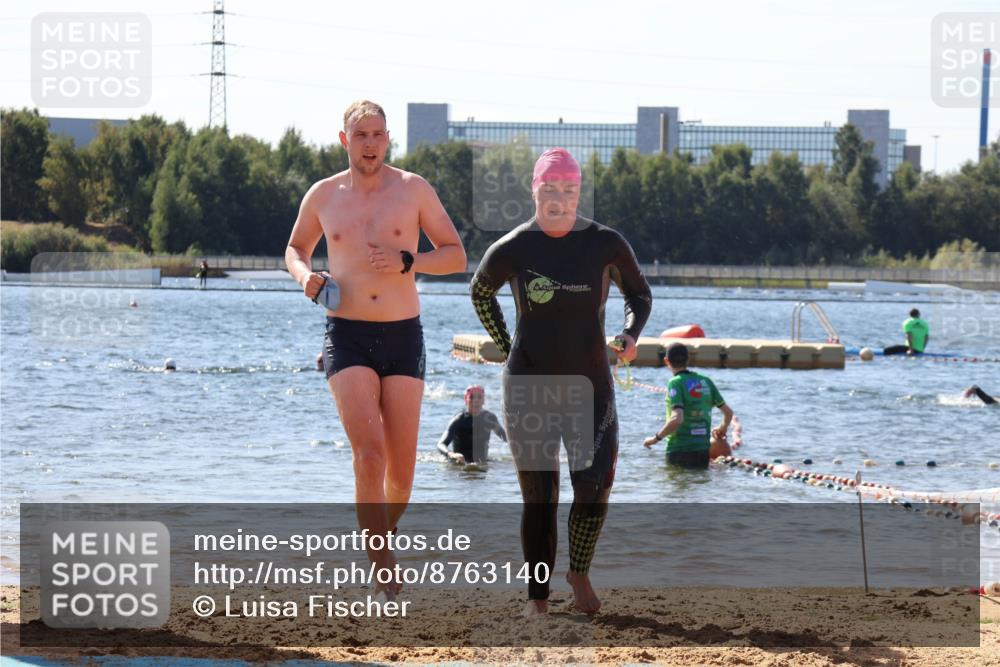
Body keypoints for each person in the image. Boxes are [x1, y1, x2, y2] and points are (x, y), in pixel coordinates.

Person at [285, 100, 466, 598]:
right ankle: (381, 560)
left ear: (388, 139)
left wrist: (409, 259)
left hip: (404, 335)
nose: (370, 144)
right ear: (345, 140)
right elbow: (296, 249)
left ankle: (380, 533)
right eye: (361, 135)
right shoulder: (324, 195)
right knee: (369, 456)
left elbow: (456, 256)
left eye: (378, 134)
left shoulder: (413, 189)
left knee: (401, 478)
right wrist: (304, 276)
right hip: (346, 335)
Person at [470, 148, 652, 616]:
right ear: (534, 191)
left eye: (569, 190)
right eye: (549, 189)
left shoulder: (605, 243)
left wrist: (630, 334)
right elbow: (480, 292)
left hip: (590, 385)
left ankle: (579, 571)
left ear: (578, 192)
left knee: (595, 484)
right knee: (541, 497)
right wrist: (507, 342)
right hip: (528, 385)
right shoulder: (513, 247)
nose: (559, 199)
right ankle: (538, 598)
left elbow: (639, 293)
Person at [644, 343, 734, 469]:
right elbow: (728, 413)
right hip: (703, 451)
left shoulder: (675, 382)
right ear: (688, 359)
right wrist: (722, 428)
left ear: (666, 361)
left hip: (679, 450)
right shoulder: (706, 381)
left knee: (677, 480)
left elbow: (677, 419)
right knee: (699, 480)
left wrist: (655, 439)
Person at [437, 385, 507, 465]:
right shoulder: (459, 420)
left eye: (479, 397)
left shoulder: (489, 419)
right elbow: (441, 444)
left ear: (483, 401)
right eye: (471, 397)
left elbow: (506, 438)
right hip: (461, 465)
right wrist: (451, 454)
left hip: (482, 465)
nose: (476, 400)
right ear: (466, 400)